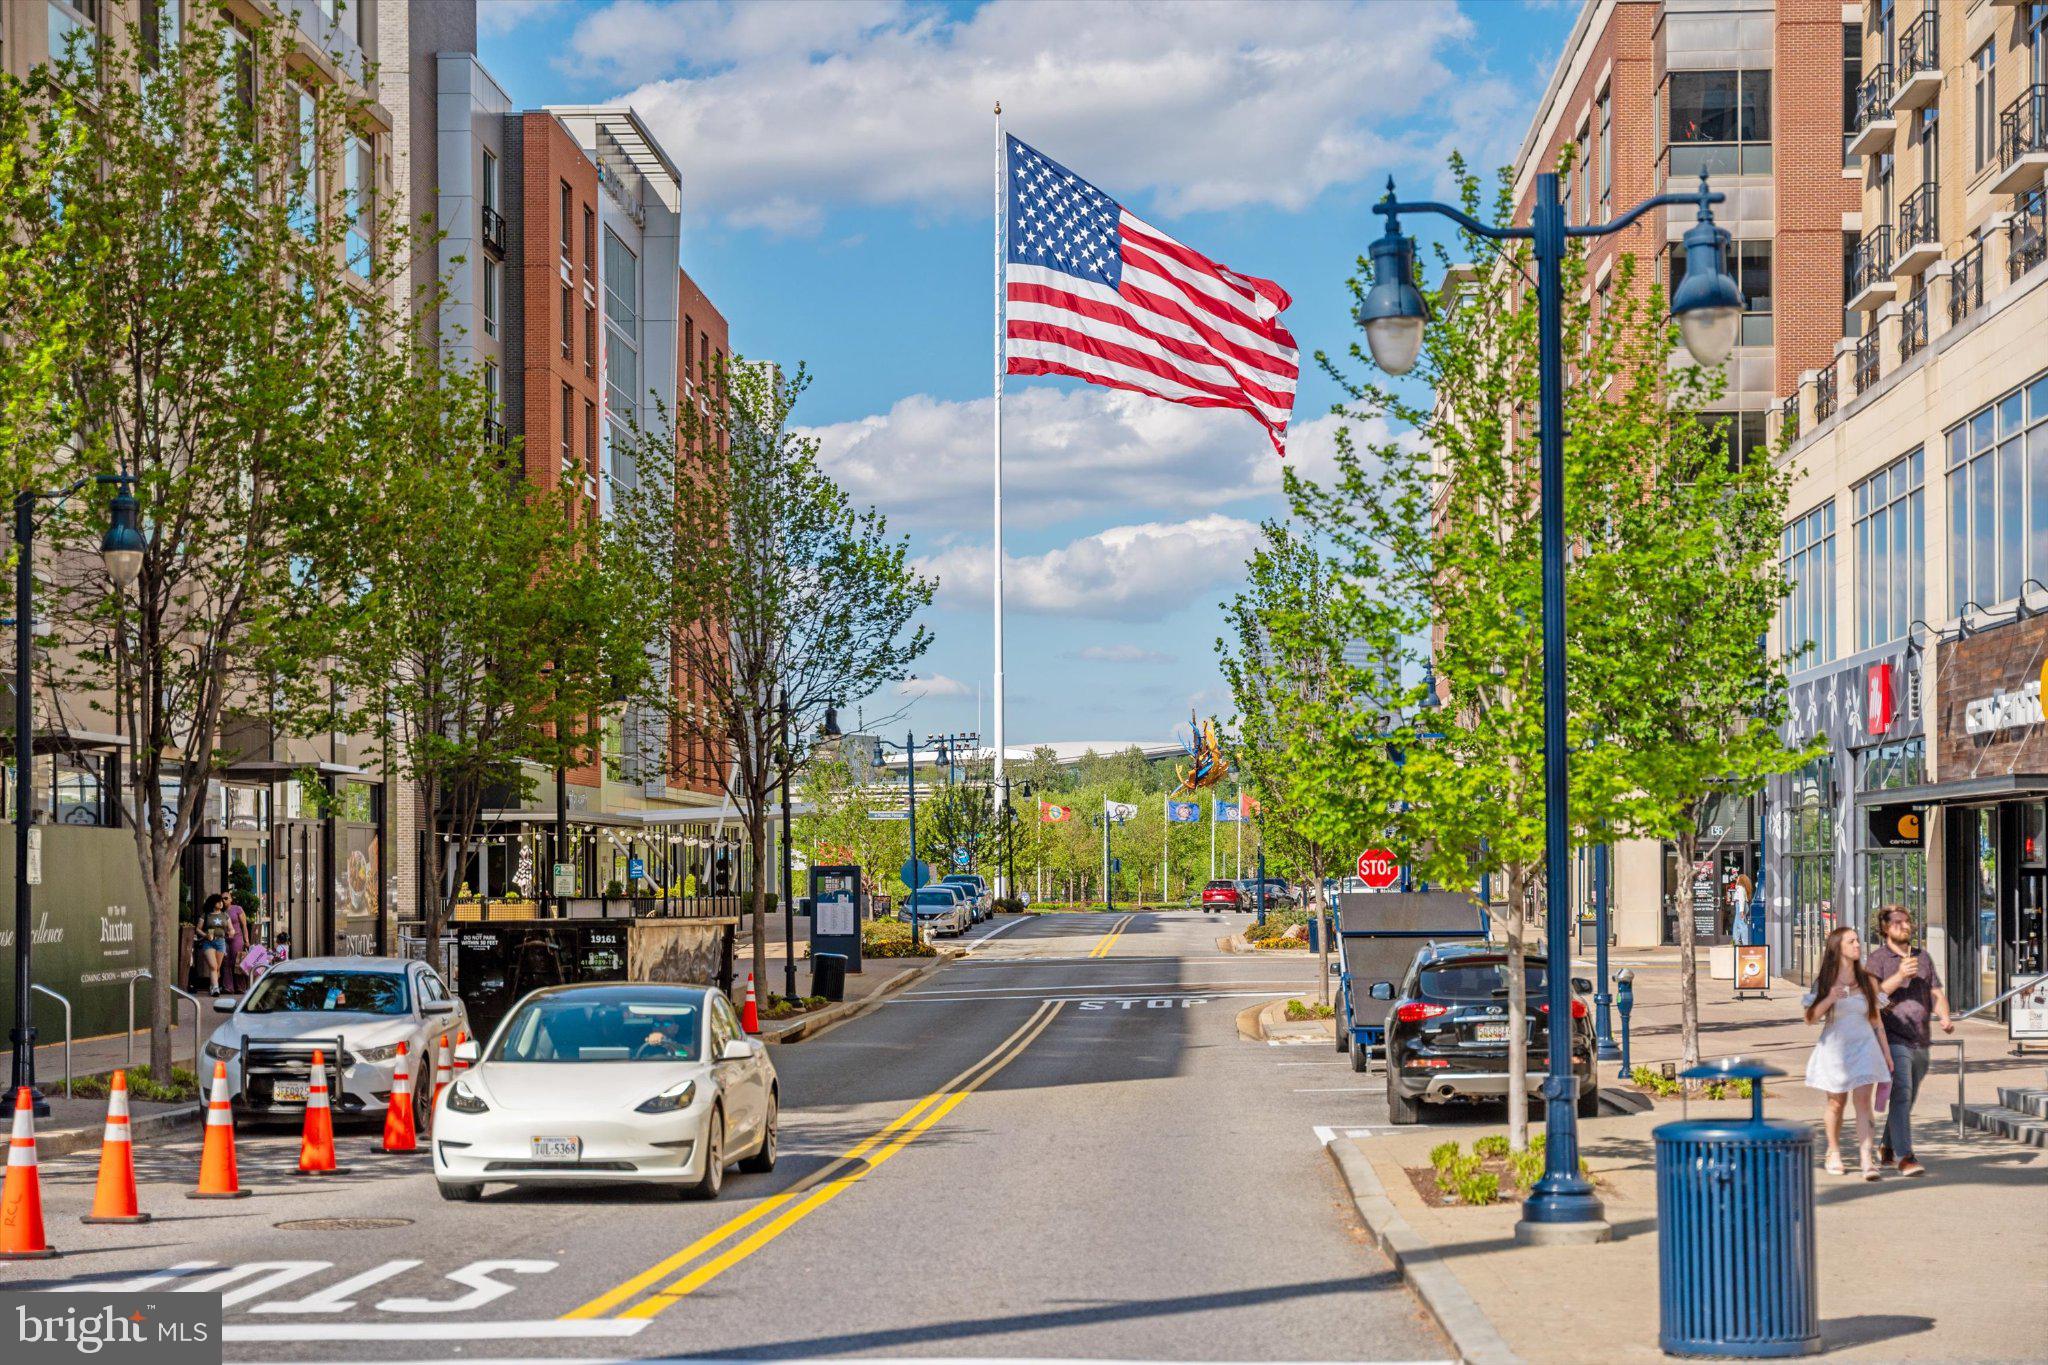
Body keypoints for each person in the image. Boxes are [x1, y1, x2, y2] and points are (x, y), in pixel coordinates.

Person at [1867, 905, 1953, 1178]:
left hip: (1920, 1039)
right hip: (1891, 1037)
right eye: (1898, 923)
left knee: (1908, 1095)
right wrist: (1899, 975)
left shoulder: (1923, 957)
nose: (1905, 926)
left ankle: (1888, 1145)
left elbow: (1937, 993)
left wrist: (1944, 1017)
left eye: (1907, 922)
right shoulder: (1877, 959)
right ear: (1885, 928)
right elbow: (1872, 997)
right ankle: (1906, 1157)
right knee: (1902, 1091)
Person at [1803, 924, 1893, 1180]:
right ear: (1838, 948)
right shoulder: (1824, 981)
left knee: (1863, 1103)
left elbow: (1876, 1021)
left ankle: (1866, 1159)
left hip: (1865, 1047)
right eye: (1851, 941)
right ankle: (1833, 1151)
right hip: (1835, 1050)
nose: (1858, 945)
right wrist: (1829, 998)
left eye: (1857, 941)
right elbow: (1809, 1018)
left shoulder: (1867, 980)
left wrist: (1886, 1055)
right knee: (1836, 1103)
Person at [196, 893, 232, 994]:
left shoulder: (225, 915)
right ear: (212, 903)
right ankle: (216, 988)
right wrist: (205, 935)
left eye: (222, 901)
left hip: (221, 942)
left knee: (217, 968)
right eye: (218, 901)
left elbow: (231, 928)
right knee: (213, 966)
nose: (221, 903)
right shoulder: (206, 915)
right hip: (209, 942)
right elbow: (198, 929)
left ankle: (212, 986)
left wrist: (231, 932)